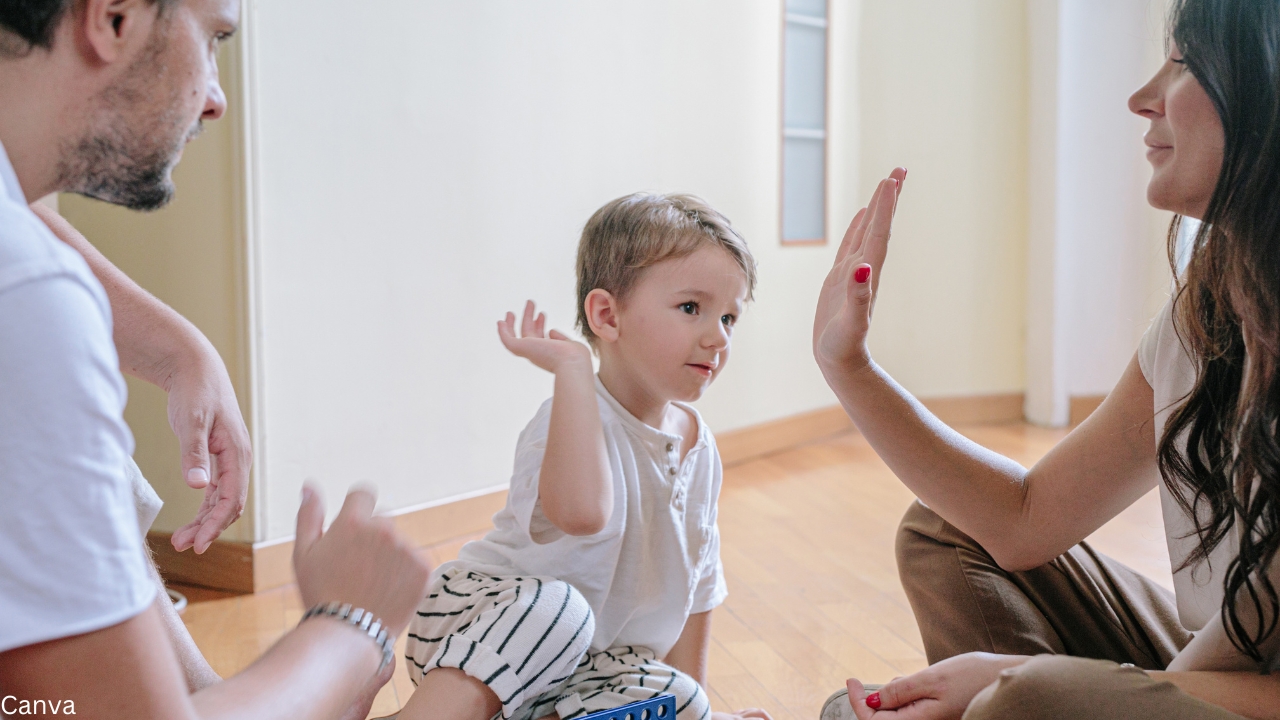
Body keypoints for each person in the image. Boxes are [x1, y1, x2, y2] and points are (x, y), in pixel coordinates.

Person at [812, 0, 1280, 718]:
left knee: (1027, 695)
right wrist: (849, 366)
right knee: (946, 531)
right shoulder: (1209, 309)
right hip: (1221, 658)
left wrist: (1010, 685)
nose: (1141, 97)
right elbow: (1025, 519)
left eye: (1184, 63)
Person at [0, 1, 431, 718]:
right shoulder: (27, 298)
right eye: (214, 38)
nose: (216, 99)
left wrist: (177, 350)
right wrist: (352, 628)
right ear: (112, 18)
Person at [394, 194, 769, 720]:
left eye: (730, 317)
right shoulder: (569, 416)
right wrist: (572, 368)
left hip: (586, 668)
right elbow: (583, 513)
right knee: (565, 613)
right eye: (692, 309)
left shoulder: (698, 449)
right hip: (490, 627)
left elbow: (699, 586)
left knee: (684, 700)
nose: (718, 337)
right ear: (606, 316)